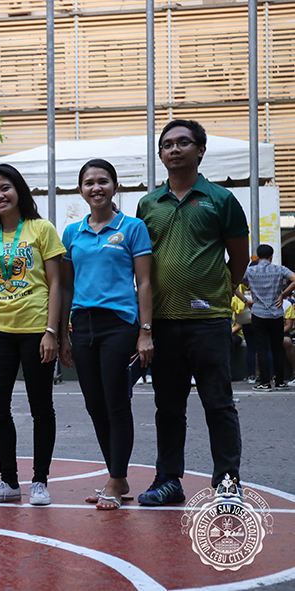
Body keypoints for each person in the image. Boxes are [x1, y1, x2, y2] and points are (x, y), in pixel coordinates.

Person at [136, 119, 250, 505]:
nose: (174, 149)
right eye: (167, 144)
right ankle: (168, 480)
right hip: (164, 324)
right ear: (161, 155)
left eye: (183, 142)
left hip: (209, 321)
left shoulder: (221, 200)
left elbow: (238, 260)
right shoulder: (148, 204)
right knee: (168, 407)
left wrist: (217, 292)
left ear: (200, 150)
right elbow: (143, 264)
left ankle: (228, 484)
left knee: (218, 404)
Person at [0, 164, 66, 506]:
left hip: (37, 329)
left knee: (41, 406)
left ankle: (40, 481)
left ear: (19, 190)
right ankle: (8, 482)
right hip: (1, 333)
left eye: (4, 188)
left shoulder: (41, 229)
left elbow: (56, 283)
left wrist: (52, 332)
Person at [58, 159, 154, 510]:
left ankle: (115, 478)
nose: (95, 188)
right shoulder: (72, 233)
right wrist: (64, 335)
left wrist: (145, 332)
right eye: (88, 183)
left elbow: (144, 282)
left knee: (116, 402)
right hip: (82, 327)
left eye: (102, 181)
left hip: (120, 324)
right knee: (94, 403)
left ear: (115, 187)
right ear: (80, 190)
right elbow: (66, 288)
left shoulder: (132, 228)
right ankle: (118, 476)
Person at [241, 244, 295, 391]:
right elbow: (294, 278)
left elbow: (233, 284)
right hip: (276, 313)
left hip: (258, 313)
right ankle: (280, 381)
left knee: (261, 347)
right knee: (278, 347)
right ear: (272, 256)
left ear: (257, 256)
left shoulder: (250, 270)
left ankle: (264, 382)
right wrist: (283, 294)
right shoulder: (279, 269)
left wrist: (246, 301)